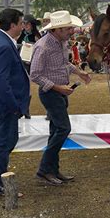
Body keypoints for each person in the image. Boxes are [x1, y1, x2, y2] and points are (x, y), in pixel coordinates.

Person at [30, 11, 91, 185]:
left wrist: (79, 72)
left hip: (59, 92)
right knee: (63, 129)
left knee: (55, 131)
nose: (72, 31)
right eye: (68, 28)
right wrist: (58, 88)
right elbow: (34, 75)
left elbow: (64, 63)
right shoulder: (43, 46)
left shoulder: (60, 42)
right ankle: (44, 170)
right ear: (57, 29)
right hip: (51, 93)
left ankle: (52, 170)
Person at [0, 8, 30, 197]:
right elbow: (2, 82)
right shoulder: (3, 45)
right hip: (6, 104)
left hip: (2, 102)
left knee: (7, 141)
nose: (23, 26)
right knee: (4, 143)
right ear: (12, 25)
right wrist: (14, 105)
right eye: (21, 23)